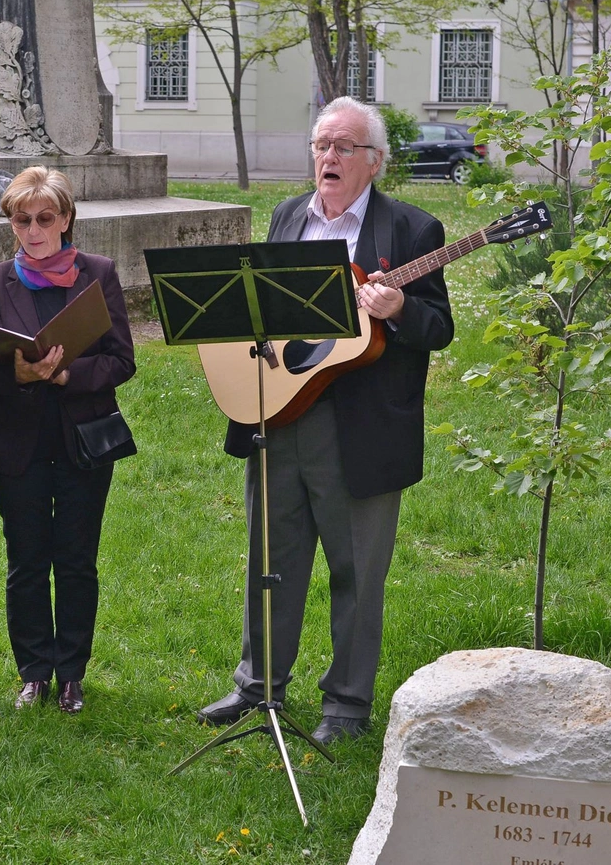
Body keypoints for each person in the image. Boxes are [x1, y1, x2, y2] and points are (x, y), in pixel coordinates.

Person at [196, 97, 455, 744]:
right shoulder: (288, 215)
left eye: (342, 147)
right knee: (271, 560)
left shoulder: (411, 231)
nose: (328, 158)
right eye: (320, 145)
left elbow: (438, 328)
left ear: (374, 161)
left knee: (356, 572)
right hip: (279, 415)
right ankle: (258, 686)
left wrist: (397, 308)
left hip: (361, 428)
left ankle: (346, 703)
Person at [0, 166, 136, 713]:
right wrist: (20, 374)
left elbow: (121, 360)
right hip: (17, 440)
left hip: (84, 438)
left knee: (77, 559)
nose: (34, 229)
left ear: (66, 218)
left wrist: (67, 376)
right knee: (27, 558)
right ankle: (34, 671)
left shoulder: (98, 273)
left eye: (45, 218)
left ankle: (72, 674)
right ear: (11, 223)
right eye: (22, 220)